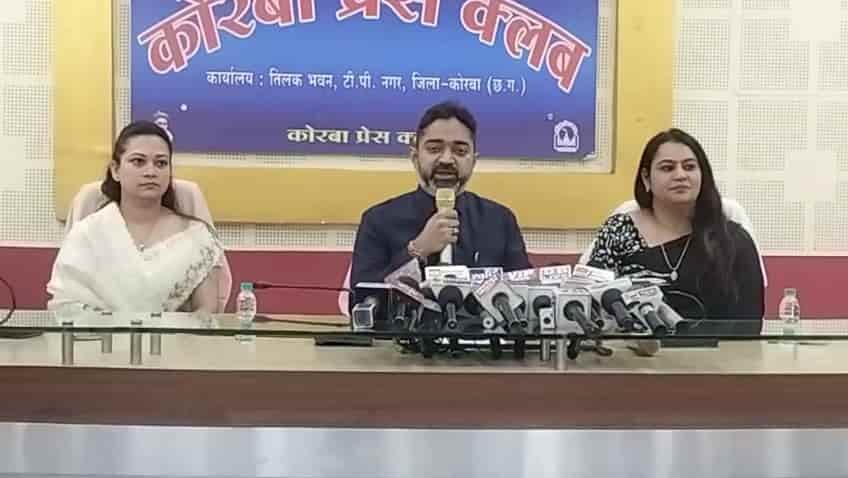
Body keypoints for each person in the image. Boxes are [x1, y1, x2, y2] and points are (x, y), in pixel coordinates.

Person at [586, 129, 764, 335]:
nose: (680, 175)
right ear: (646, 178)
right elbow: (593, 306)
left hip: (715, 354)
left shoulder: (732, 240)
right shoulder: (619, 231)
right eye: (667, 168)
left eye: (689, 167)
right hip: (633, 353)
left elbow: (749, 324)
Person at [350, 101, 531, 298]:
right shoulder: (378, 220)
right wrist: (417, 250)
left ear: (473, 161)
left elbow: (524, 297)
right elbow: (361, 300)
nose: (446, 159)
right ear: (415, 157)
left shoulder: (499, 220)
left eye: (460, 151)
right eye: (434, 149)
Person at [47, 121, 224, 313]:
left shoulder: (197, 237)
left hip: (176, 334)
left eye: (161, 163)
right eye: (138, 161)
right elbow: (66, 305)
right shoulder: (88, 233)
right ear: (115, 170)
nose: (151, 172)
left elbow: (207, 312)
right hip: (98, 333)